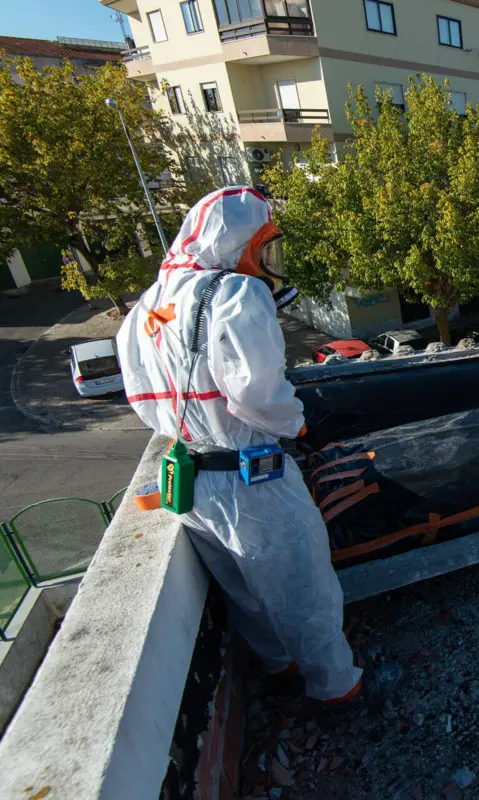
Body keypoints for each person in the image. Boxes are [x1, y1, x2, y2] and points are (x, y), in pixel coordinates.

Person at [117, 187, 362, 704]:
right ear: (235, 241)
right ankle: (337, 688)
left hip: (191, 480)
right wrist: (297, 425)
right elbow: (257, 393)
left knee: (245, 592)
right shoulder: (234, 294)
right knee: (303, 589)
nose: (265, 257)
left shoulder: (149, 308)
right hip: (254, 478)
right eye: (261, 243)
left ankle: (279, 664)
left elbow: (142, 393)